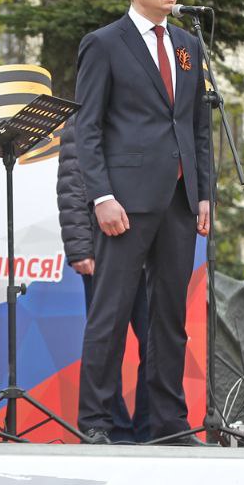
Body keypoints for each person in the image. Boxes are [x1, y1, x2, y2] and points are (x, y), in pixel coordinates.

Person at [73, 0, 212, 446]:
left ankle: (168, 423)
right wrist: (101, 196)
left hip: (178, 198)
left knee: (170, 317)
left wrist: (203, 194)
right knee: (110, 313)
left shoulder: (188, 45)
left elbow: (198, 125)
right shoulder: (104, 44)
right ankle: (96, 421)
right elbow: (86, 128)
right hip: (124, 202)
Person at [56, 118, 152, 442]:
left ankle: (148, 428)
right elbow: (72, 185)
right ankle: (115, 429)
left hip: (150, 257)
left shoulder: (147, 115)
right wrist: (81, 248)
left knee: (156, 343)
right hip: (103, 254)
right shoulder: (85, 117)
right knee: (107, 344)